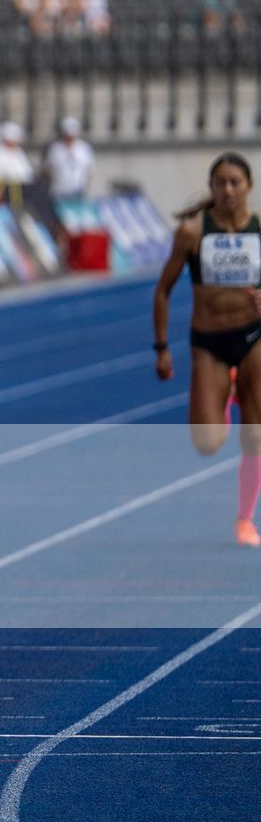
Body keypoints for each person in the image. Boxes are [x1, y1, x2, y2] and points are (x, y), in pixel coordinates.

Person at [153, 153, 261, 547]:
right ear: (212, 187)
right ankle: (227, 389)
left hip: (254, 339)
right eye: (220, 182)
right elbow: (163, 291)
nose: (228, 189)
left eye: (235, 182)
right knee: (208, 443)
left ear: (248, 185)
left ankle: (245, 520)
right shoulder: (193, 232)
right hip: (209, 343)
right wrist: (161, 347)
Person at [44, 116, 94, 200]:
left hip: (78, 189)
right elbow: (48, 169)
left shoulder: (84, 148)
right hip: (59, 190)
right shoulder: (55, 149)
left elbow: (89, 169)